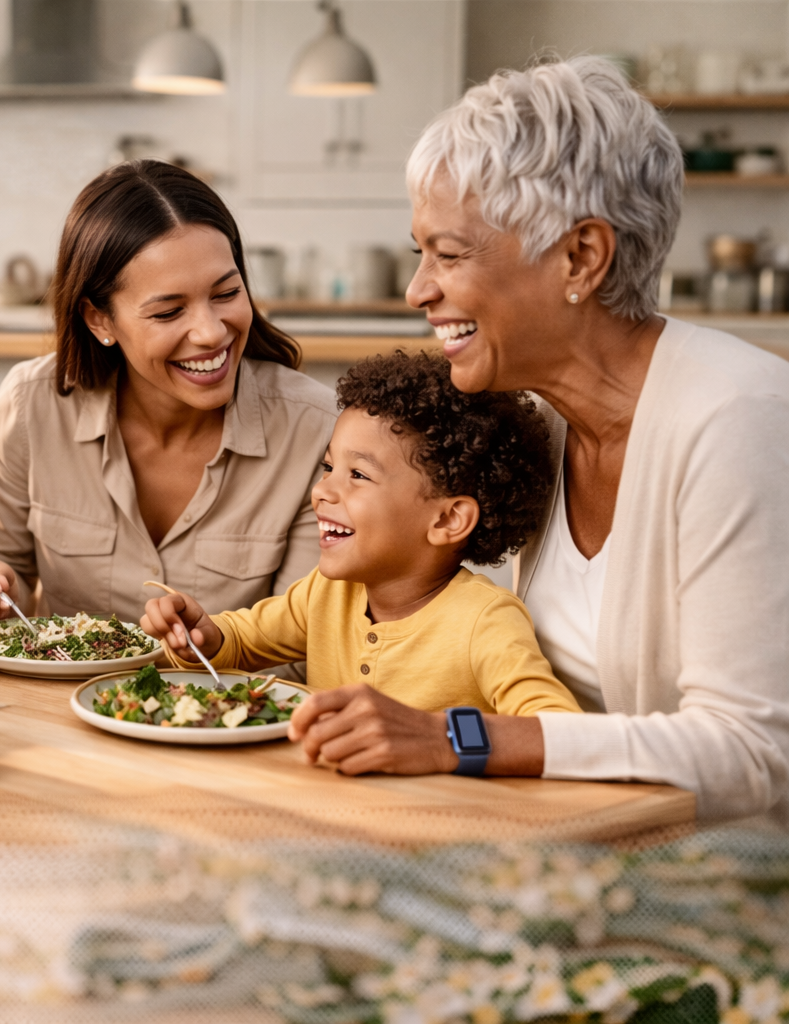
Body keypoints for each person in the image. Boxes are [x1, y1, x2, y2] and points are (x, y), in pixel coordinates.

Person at [286, 57, 789, 823]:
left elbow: (750, 755)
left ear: (580, 258)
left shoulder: (740, 420)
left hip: (722, 892)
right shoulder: (541, 423)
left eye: (449, 254)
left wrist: (461, 740)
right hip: (575, 847)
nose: (419, 288)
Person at [0, 161, 336, 623]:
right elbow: (11, 593)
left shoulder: (316, 429)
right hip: (54, 695)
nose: (210, 333)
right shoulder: (32, 407)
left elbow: (298, 639)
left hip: (234, 696)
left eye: (226, 293)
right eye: (168, 312)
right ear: (99, 320)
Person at [143, 351, 579, 719]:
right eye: (328, 468)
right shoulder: (328, 594)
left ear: (448, 520)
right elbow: (241, 642)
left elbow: (556, 729)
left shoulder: (485, 621)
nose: (321, 491)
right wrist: (204, 635)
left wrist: (443, 743)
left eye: (358, 474)